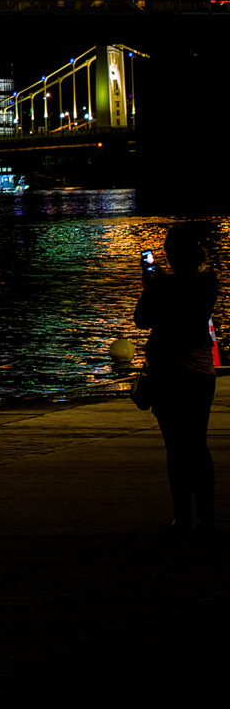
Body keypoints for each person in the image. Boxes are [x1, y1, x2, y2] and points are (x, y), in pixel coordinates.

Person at [134, 224, 219, 537]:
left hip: (169, 373)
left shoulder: (163, 286)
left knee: (176, 448)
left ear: (169, 256)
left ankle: (182, 517)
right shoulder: (208, 282)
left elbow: (142, 319)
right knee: (198, 444)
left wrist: (150, 286)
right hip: (201, 372)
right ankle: (206, 517)